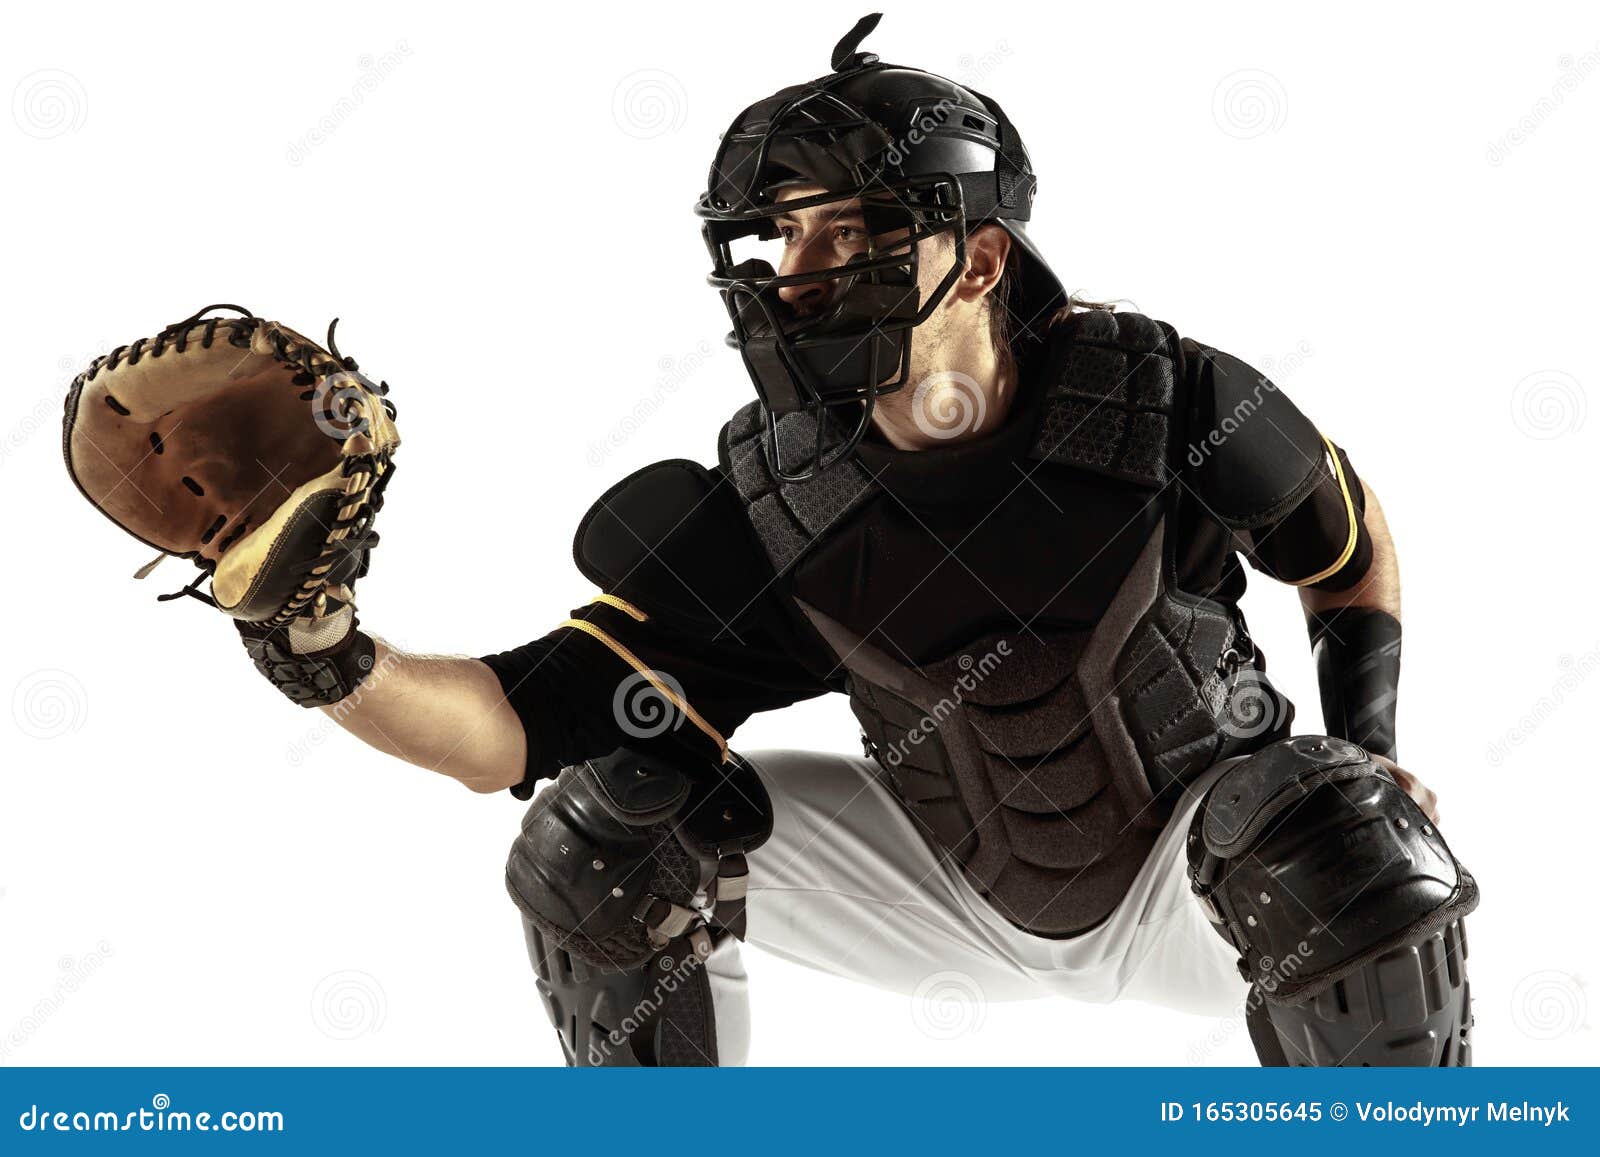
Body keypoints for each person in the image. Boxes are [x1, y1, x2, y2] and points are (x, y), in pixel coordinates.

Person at [241, 14, 1477, 1066]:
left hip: (1209, 888)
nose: (800, 273)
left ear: (978, 259)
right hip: (951, 883)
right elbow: (508, 726)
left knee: (1345, 832)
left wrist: (1371, 750)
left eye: (848, 233)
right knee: (602, 837)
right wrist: (319, 645)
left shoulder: (1162, 401)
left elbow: (1346, 545)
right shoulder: (777, 504)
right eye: (783, 236)